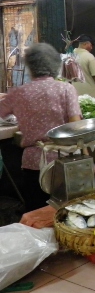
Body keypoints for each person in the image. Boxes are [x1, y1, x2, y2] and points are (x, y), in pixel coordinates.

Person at [0, 43, 82, 212]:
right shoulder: (66, 89)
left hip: (33, 164)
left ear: (30, 66)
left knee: (37, 213)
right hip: (66, 161)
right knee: (68, 215)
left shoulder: (19, 92)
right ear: (54, 65)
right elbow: (76, 128)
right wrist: (89, 161)